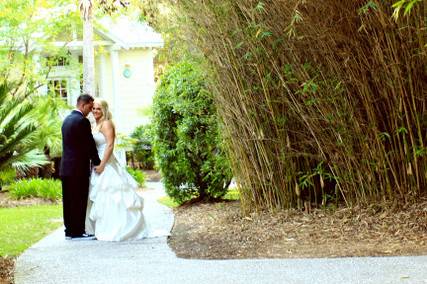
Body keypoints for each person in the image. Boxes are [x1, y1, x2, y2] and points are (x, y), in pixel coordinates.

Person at [85, 99, 147, 241]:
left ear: (105, 110)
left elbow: (110, 145)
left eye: (98, 109)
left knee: (113, 195)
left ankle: (119, 229)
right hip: (97, 163)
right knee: (102, 197)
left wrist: (102, 164)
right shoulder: (96, 124)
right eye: (93, 108)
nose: (95, 111)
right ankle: (105, 227)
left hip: (106, 163)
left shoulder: (107, 124)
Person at [60, 94, 100, 240]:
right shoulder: (82, 121)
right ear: (83, 105)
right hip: (77, 168)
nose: (90, 111)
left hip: (65, 167)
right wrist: (97, 162)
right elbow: (89, 145)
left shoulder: (66, 120)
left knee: (68, 200)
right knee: (79, 199)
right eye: (90, 107)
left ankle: (69, 231)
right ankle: (77, 231)